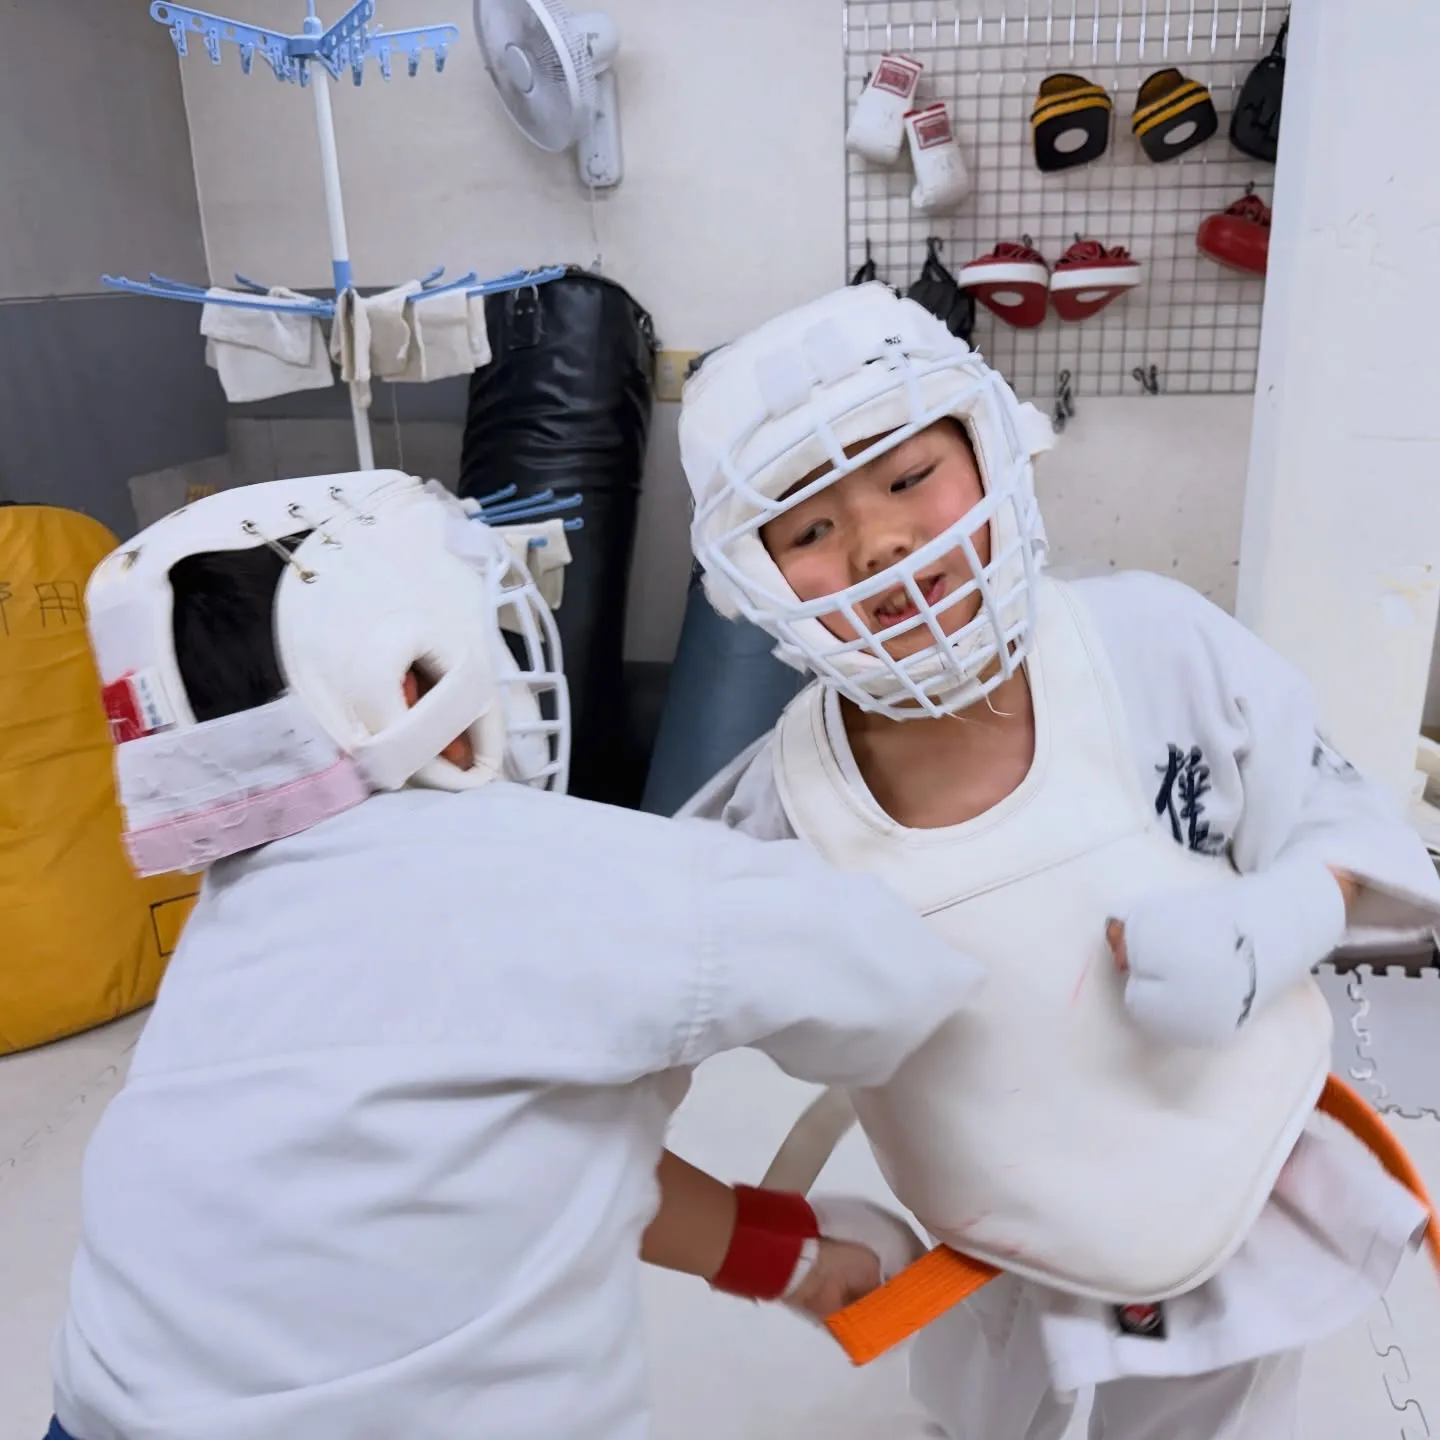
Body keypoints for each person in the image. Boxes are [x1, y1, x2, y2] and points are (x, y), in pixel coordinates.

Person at [48, 470, 977, 1440]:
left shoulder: (229, 946)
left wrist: (783, 1255)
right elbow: (897, 981)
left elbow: (515, 1158)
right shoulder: (574, 872)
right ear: (406, 680)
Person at [676, 283, 1440, 1439]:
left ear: (990, 451)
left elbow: (1338, 813)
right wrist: (760, 1245)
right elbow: (622, 1039)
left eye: (905, 477)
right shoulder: (784, 810)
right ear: (757, 580)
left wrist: (1284, 913)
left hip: (1236, 1184)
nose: (880, 540)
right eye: (810, 529)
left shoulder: (1152, 643)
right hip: (1001, 1249)